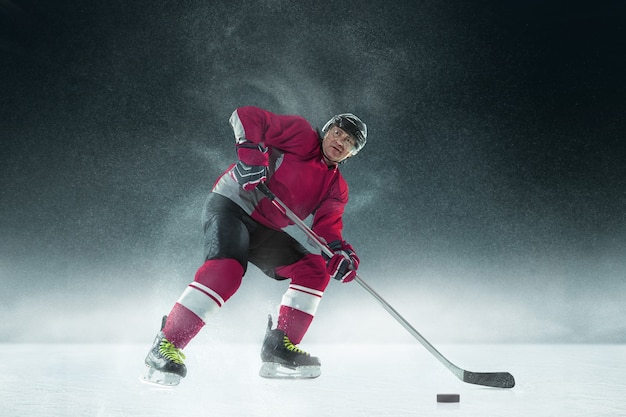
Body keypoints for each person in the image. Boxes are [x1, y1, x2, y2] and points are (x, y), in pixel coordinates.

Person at [142, 106, 367, 385]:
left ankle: (278, 348)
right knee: (227, 273)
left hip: (264, 229)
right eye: (337, 132)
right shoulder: (301, 135)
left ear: (351, 154)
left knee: (314, 271)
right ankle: (165, 346)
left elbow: (326, 227)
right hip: (232, 206)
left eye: (349, 143)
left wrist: (339, 253)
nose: (340, 142)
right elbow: (246, 116)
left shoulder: (337, 187)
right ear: (326, 131)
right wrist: (251, 155)